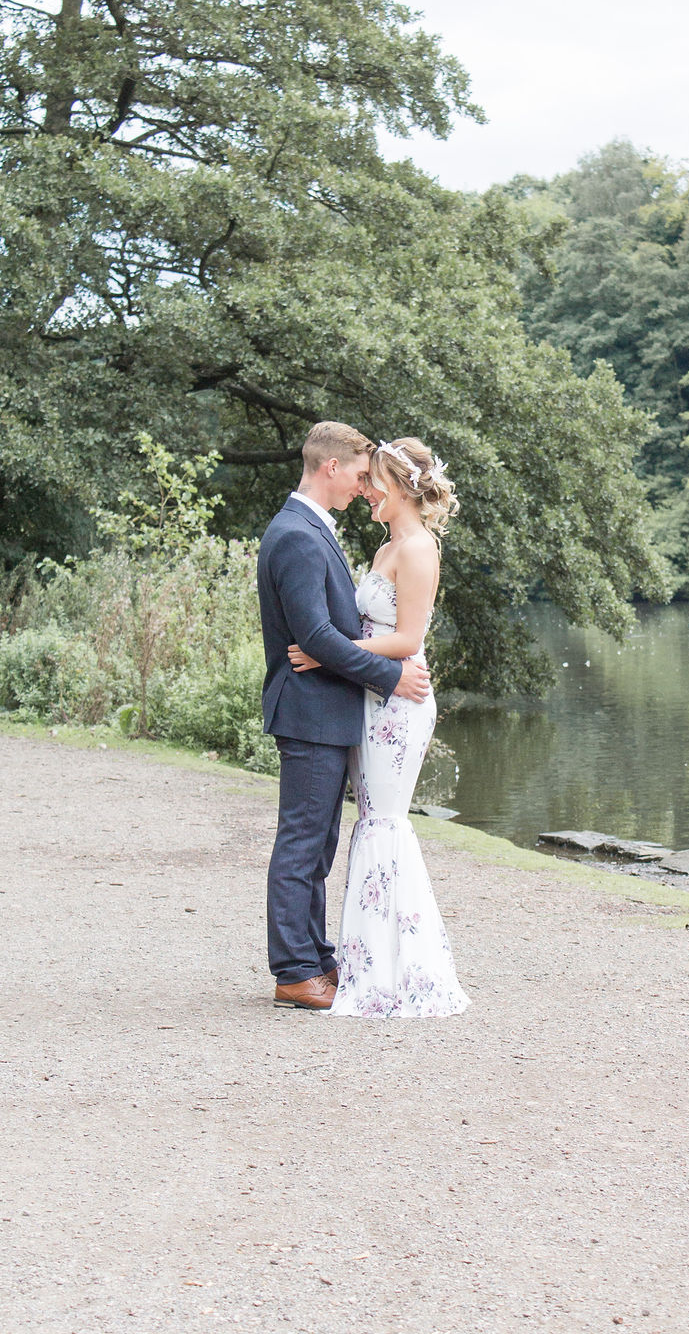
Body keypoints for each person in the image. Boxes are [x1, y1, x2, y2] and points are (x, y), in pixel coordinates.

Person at [288, 437, 470, 1019]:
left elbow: (409, 640)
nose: (365, 491)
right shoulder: (388, 547)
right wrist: (343, 657)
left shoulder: (418, 549)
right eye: (363, 482)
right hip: (372, 696)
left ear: (399, 486)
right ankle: (370, 960)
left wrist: (325, 653)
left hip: (399, 702)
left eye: (374, 483)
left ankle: (403, 972)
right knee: (372, 822)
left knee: (385, 823)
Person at [258, 422, 431, 1011]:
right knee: (303, 844)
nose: (364, 487)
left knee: (319, 842)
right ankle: (295, 972)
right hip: (309, 710)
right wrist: (390, 676)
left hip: (327, 709)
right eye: (360, 475)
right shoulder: (299, 535)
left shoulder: (310, 529)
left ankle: (317, 958)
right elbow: (313, 635)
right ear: (330, 467)